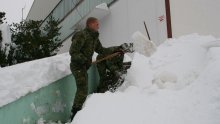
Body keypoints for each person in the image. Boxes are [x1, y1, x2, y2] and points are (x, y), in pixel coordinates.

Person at [69, 17, 122, 120]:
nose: (99, 26)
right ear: (91, 24)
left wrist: (117, 48)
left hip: (84, 66)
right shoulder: (82, 35)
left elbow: (102, 50)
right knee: (83, 89)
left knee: (83, 89)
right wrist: (85, 60)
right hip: (77, 66)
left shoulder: (94, 38)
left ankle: (78, 112)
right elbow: (73, 52)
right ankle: (75, 114)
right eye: (97, 24)